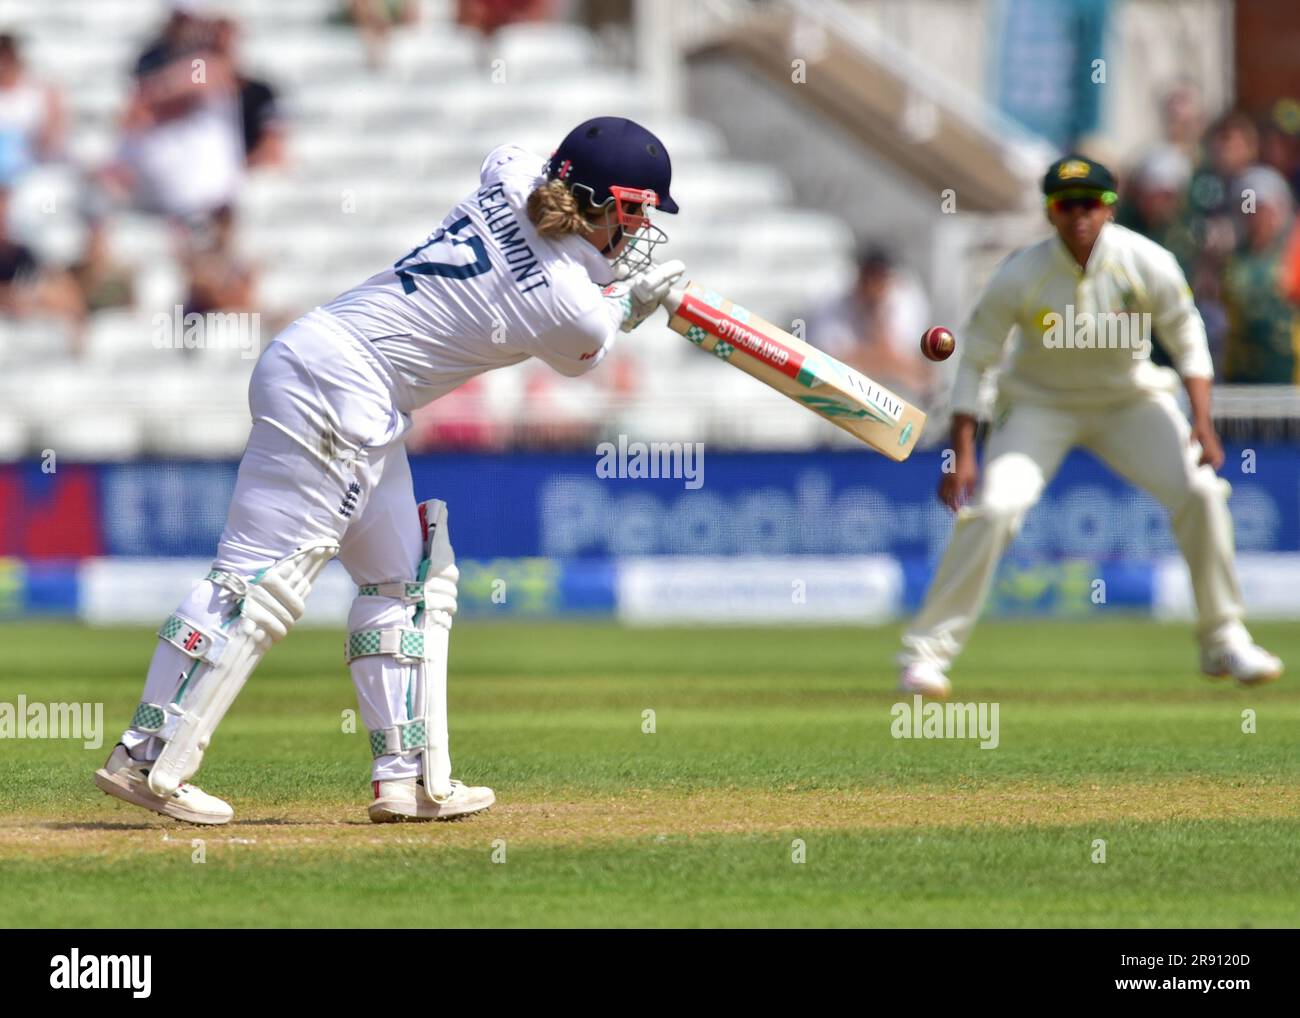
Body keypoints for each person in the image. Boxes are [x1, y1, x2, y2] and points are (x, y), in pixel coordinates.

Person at [93, 116, 685, 825]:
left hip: (339, 371)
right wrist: (632, 302)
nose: (641, 227)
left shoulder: (510, 173)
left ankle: (406, 781)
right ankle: (147, 754)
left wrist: (613, 290)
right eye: (636, 210)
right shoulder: (570, 307)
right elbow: (584, 345)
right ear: (599, 201)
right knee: (259, 583)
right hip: (339, 388)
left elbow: (520, 166)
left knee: (407, 583)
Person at [896, 155, 1283, 698]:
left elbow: (1188, 338)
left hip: (1130, 402)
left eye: (1090, 204)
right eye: (1065, 205)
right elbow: (976, 359)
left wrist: (1202, 422)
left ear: (1110, 207)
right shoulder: (1022, 273)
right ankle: (924, 656)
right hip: (1039, 407)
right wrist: (963, 454)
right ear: (1050, 213)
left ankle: (1223, 639)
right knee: (995, 510)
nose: (1078, 216)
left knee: (1200, 491)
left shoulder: (1145, 261)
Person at [806, 246, 933, 406]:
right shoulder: (834, 302)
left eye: (879, 277)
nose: (873, 285)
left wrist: (877, 316)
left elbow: (909, 363)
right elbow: (831, 363)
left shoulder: (904, 301)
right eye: (869, 276)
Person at [1221, 166, 1300, 384]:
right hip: (1240, 377)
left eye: (1264, 209)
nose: (1257, 217)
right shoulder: (1229, 257)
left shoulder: (1294, 251)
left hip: (1288, 376)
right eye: (1250, 210)